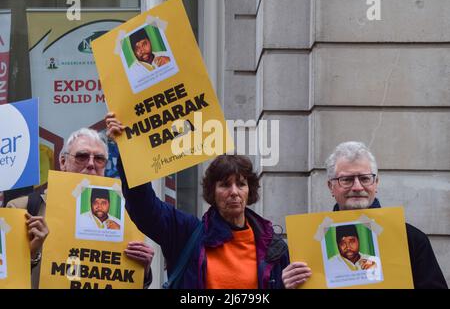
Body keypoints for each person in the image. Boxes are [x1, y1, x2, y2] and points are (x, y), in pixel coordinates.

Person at [105, 112, 312, 289]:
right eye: (224, 185)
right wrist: (128, 150)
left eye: (240, 184)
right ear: (212, 191)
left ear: (250, 191)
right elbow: (144, 207)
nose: (234, 192)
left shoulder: (274, 247)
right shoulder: (188, 233)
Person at [7, 128, 154, 288]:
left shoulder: (126, 213)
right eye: (82, 156)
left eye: (99, 159)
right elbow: (6, 279)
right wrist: (31, 253)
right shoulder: (22, 209)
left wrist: (142, 272)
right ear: (63, 162)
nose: (91, 164)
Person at [325, 141, 447, 289]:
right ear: (331, 186)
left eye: (365, 178)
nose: (357, 187)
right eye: (346, 179)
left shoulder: (412, 240)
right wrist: (288, 284)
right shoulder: (311, 245)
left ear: (376, 183)